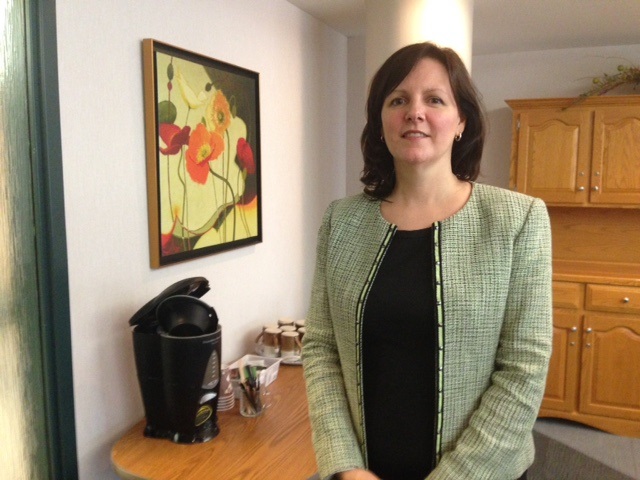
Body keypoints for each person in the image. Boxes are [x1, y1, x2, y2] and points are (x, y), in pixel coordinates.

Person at [301, 41, 552, 480]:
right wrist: (344, 465)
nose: (414, 112)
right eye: (398, 100)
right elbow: (321, 348)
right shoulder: (341, 221)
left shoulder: (517, 219)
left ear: (461, 121)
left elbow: (523, 368)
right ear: (380, 122)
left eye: (434, 99)